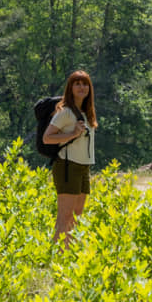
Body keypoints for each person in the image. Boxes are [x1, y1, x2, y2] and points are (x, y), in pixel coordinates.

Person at [42, 69, 97, 242]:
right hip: (67, 165)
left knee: (77, 214)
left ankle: (68, 253)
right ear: (70, 88)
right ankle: (55, 256)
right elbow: (47, 138)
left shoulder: (87, 112)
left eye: (85, 84)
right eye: (77, 84)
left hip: (83, 166)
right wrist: (73, 134)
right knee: (65, 216)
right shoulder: (65, 111)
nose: (82, 87)